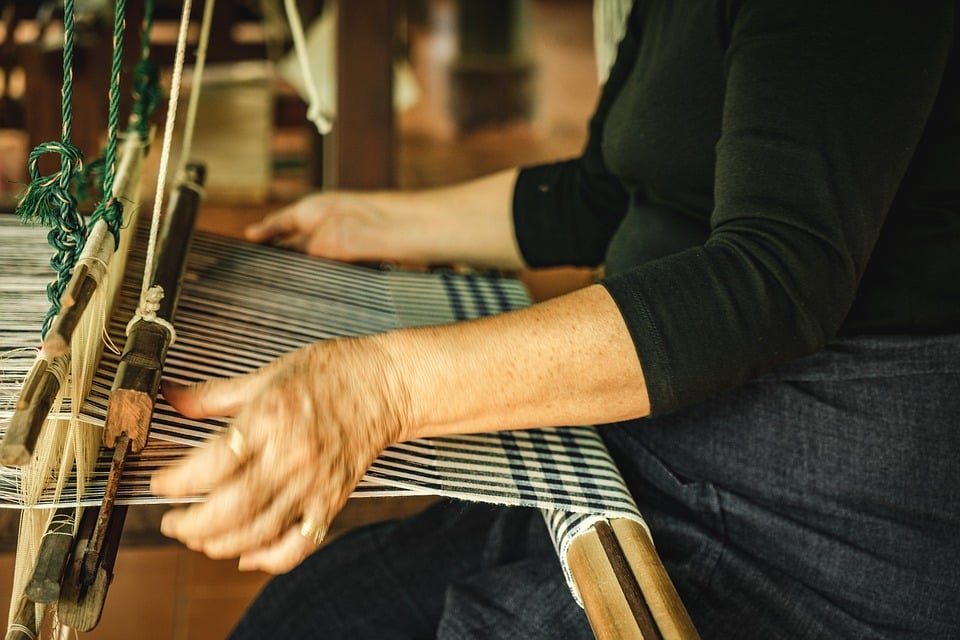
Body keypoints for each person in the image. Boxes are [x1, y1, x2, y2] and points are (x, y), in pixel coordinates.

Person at [151, 1, 960, 638]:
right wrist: (364, 223)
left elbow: (774, 280)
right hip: (651, 438)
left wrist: (379, 390)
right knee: (310, 620)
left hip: (822, 512)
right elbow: (604, 197)